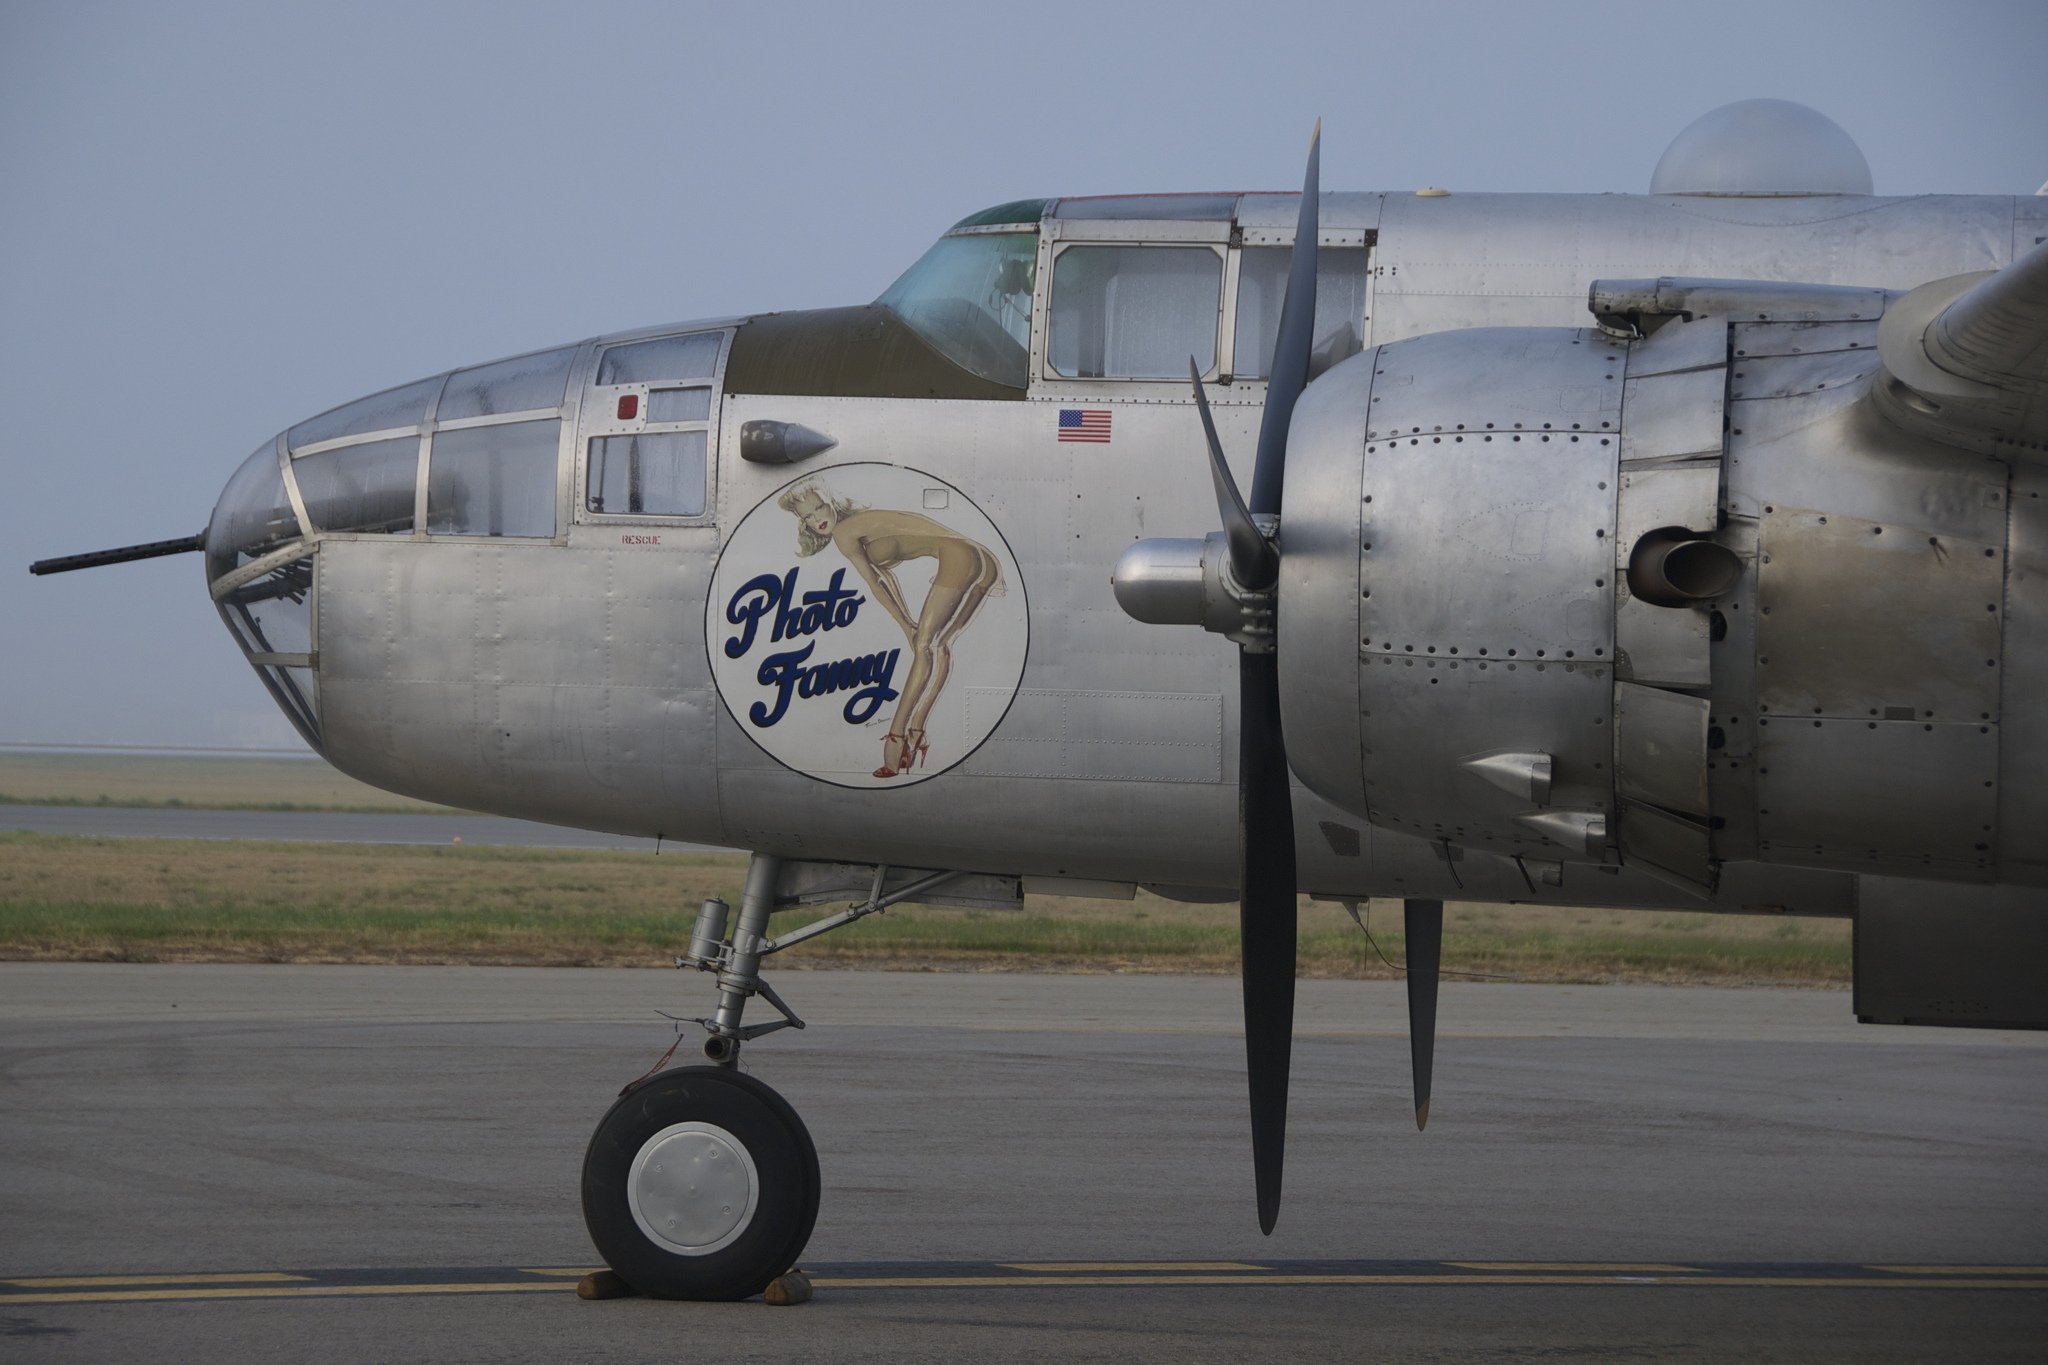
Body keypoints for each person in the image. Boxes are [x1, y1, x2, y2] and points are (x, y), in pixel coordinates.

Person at [777, 480, 1003, 778]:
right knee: (938, 646)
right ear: (802, 521)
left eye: (819, 507)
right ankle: (917, 730)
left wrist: (908, 627)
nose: (817, 518)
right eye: (808, 515)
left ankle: (895, 742)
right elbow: (887, 580)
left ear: (832, 501)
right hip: (983, 561)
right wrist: (907, 622)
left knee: (923, 647)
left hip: (960, 556)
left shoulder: (844, 533)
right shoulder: (859, 525)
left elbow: (876, 583)